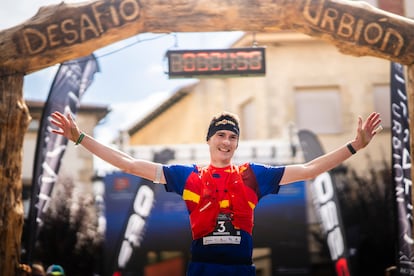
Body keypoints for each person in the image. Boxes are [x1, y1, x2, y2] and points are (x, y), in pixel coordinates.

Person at [50, 110, 381, 276]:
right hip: (202, 269)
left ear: (237, 143)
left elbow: (309, 170)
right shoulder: (187, 176)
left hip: (242, 269)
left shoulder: (254, 176)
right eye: (221, 135)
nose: (226, 142)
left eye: (232, 137)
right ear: (209, 140)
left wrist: (355, 146)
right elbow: (129, 164)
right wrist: (81, 138)